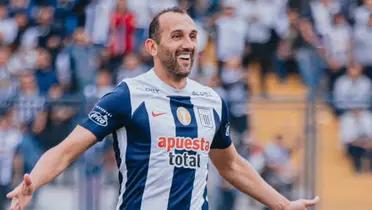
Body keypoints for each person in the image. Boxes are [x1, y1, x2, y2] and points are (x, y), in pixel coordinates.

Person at [7, 7, 319, 210]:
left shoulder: (212, 101)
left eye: (193, 36)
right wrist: (33, 179)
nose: (188, 44)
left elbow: (232, 165)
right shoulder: (128, 95)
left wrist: (282, 204)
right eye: (177, 36)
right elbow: (67, 150)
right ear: (152, 47)